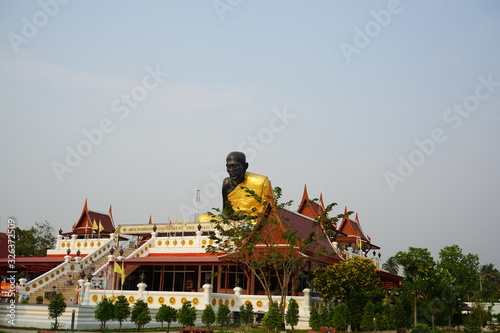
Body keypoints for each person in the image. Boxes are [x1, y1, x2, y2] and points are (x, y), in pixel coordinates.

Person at [198, 151, 271, 222]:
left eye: (235, 166)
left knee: (256, 222)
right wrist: (230, 217)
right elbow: (225, 211)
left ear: (245, 166)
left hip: (252, 220)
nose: (231, 170)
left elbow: (267, 208)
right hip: (232, 222)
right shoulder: (227, 183)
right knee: (202, 217)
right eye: (228, 166)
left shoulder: (261, 181)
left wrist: (251, 216)